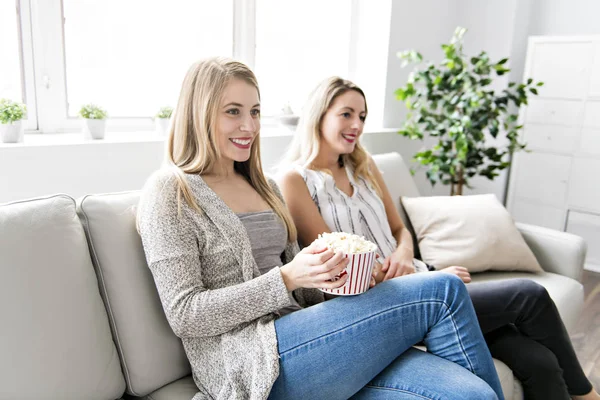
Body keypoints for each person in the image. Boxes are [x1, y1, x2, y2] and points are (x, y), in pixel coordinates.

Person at [136, 57, 505, 400]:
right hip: (252, 364)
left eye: (255, 111)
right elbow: (185, 314)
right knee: (443, 291)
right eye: (233, 112)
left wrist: (337, 281)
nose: (249, 126)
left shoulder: (263, 185)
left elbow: (304, 289)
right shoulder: (171, 191)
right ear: (198, 114)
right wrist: (287, 278)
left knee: (474, 395)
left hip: (310, 340)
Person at [277, 76, 600, 400]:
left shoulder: (363, 166)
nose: (357, 125)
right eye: (346, 114)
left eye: (362, 116)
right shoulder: (296, 179)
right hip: (389, 300)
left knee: (538, 361)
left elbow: (400, 230)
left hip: (420, 275)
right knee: (529, 295)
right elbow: (342, 263)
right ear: (319, 114)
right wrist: (434, 283)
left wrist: (405, 255)